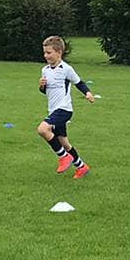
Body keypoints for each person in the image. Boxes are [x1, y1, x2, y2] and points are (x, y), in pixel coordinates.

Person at [37, 35, 94, 178]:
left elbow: (79, 82)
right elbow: (45, 91)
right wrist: (42, 86)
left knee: (43, 129)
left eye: (49, 52)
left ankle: (64, 157)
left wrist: (87, 93)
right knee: (64, 142)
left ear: (59, 52)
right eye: (45, 52)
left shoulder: (66, 69)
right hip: (53, 109)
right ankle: (81, 167)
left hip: (64, 109)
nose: (46, 55)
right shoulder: (45, 70)